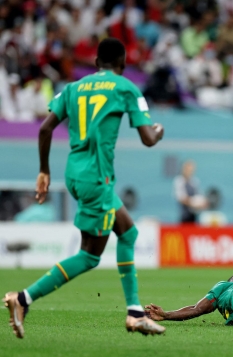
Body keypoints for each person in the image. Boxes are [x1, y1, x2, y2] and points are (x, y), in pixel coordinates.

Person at [3, 38, 165, 339]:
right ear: (123, 64)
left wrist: (43, 170)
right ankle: (23, 298)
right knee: (90, 256)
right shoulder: (125, 87)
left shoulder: (74, 87)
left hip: (76, 174)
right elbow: (146, 138)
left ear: (95, 64)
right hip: (97, 179)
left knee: (128, 232)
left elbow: (45, 127)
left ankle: (134, 312)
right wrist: (158, 131)